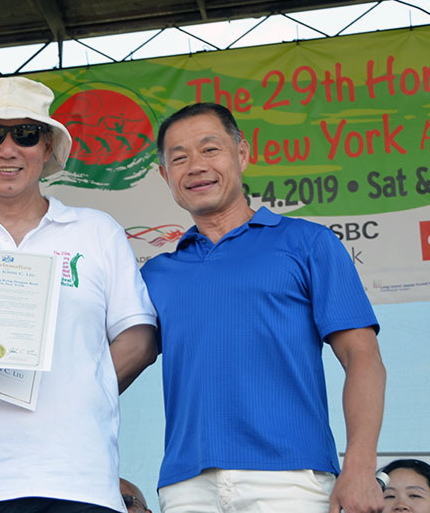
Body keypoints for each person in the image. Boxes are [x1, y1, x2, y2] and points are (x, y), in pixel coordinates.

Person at [0, 76, 158, 513]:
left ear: (46, 148)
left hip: (78, 478)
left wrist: (82, 391)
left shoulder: (96, 232)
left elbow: (141, 338)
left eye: (25, 133)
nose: (7, 148)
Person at [140, 102, 386, 513]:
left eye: (210, 149)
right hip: (186, 486)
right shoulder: (156, 274)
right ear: (166, 176)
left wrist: (359, 465)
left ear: (243, 154)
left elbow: (363, 357)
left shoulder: (308, 243)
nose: (195, 166)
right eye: (179, 158)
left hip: (290, 479)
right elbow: (116, 361)